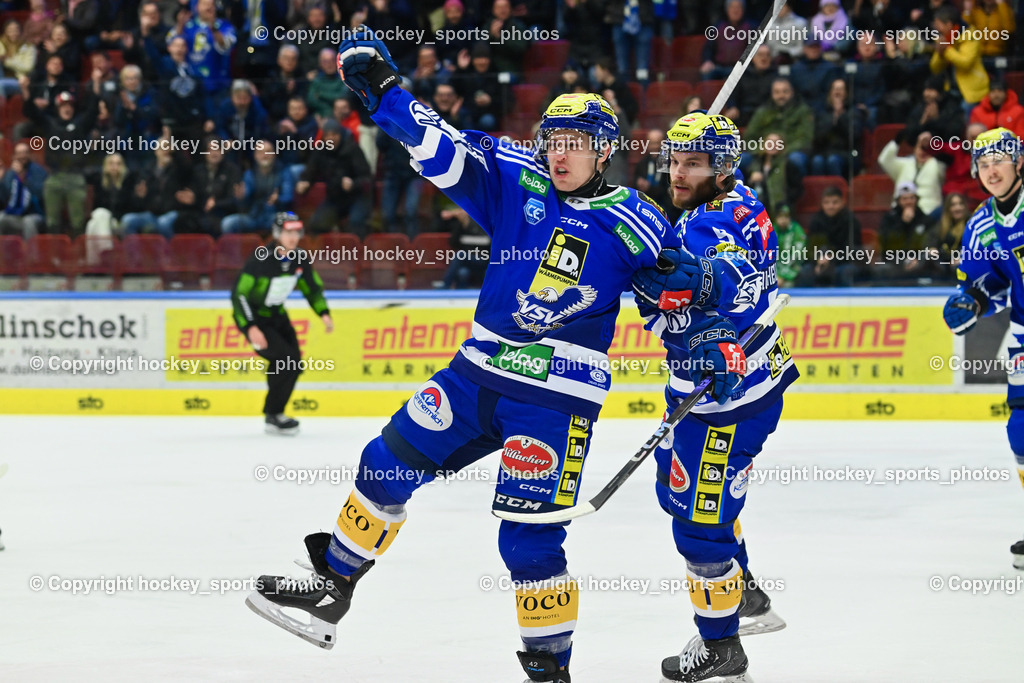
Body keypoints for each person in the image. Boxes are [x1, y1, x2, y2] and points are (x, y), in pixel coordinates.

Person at [246, 28, 684, 683]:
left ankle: (549, 668)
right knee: (384, 463)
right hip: (475, 374)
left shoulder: (636, 220)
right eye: (554, 143)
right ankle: (333, 582)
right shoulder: (517, 182)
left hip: (555, 399)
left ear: (604, 152)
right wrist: (388, 95)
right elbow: (441, 147)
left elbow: (675, 304)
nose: (560, 156)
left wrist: (685, 305)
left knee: (526, 542)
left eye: (576, 145)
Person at [630, 112, 798, 683]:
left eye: (692, 163)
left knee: (697, 527)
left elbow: (720, 277)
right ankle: (742, 593)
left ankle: (722, 646)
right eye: (673, 161)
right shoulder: (740, 199)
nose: (677, 173)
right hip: (752, 382)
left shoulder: (705, 228)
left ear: (722, 167)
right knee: (681, 488)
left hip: (723, 398)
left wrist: (679, 301)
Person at [941, 128, 1024, 570]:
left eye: (1000, 160)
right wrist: (971, 302)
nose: (991, 170)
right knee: (1022, 431)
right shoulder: (981, 225)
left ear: (1018, 163)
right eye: (983, 163)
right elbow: (989, 285)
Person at [231, 212, 332, 435]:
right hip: (255, 317)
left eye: (296, 232)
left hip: (277, 315)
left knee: (293, 365)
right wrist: (250, 327)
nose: (293, 237)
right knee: (285, 360)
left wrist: (323, 312)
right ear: (277, 234)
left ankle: (274, 414)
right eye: (288, 232)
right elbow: (239, 295)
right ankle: (274, 413)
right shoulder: (261, 258)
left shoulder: (300, 259)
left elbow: (311, 288)